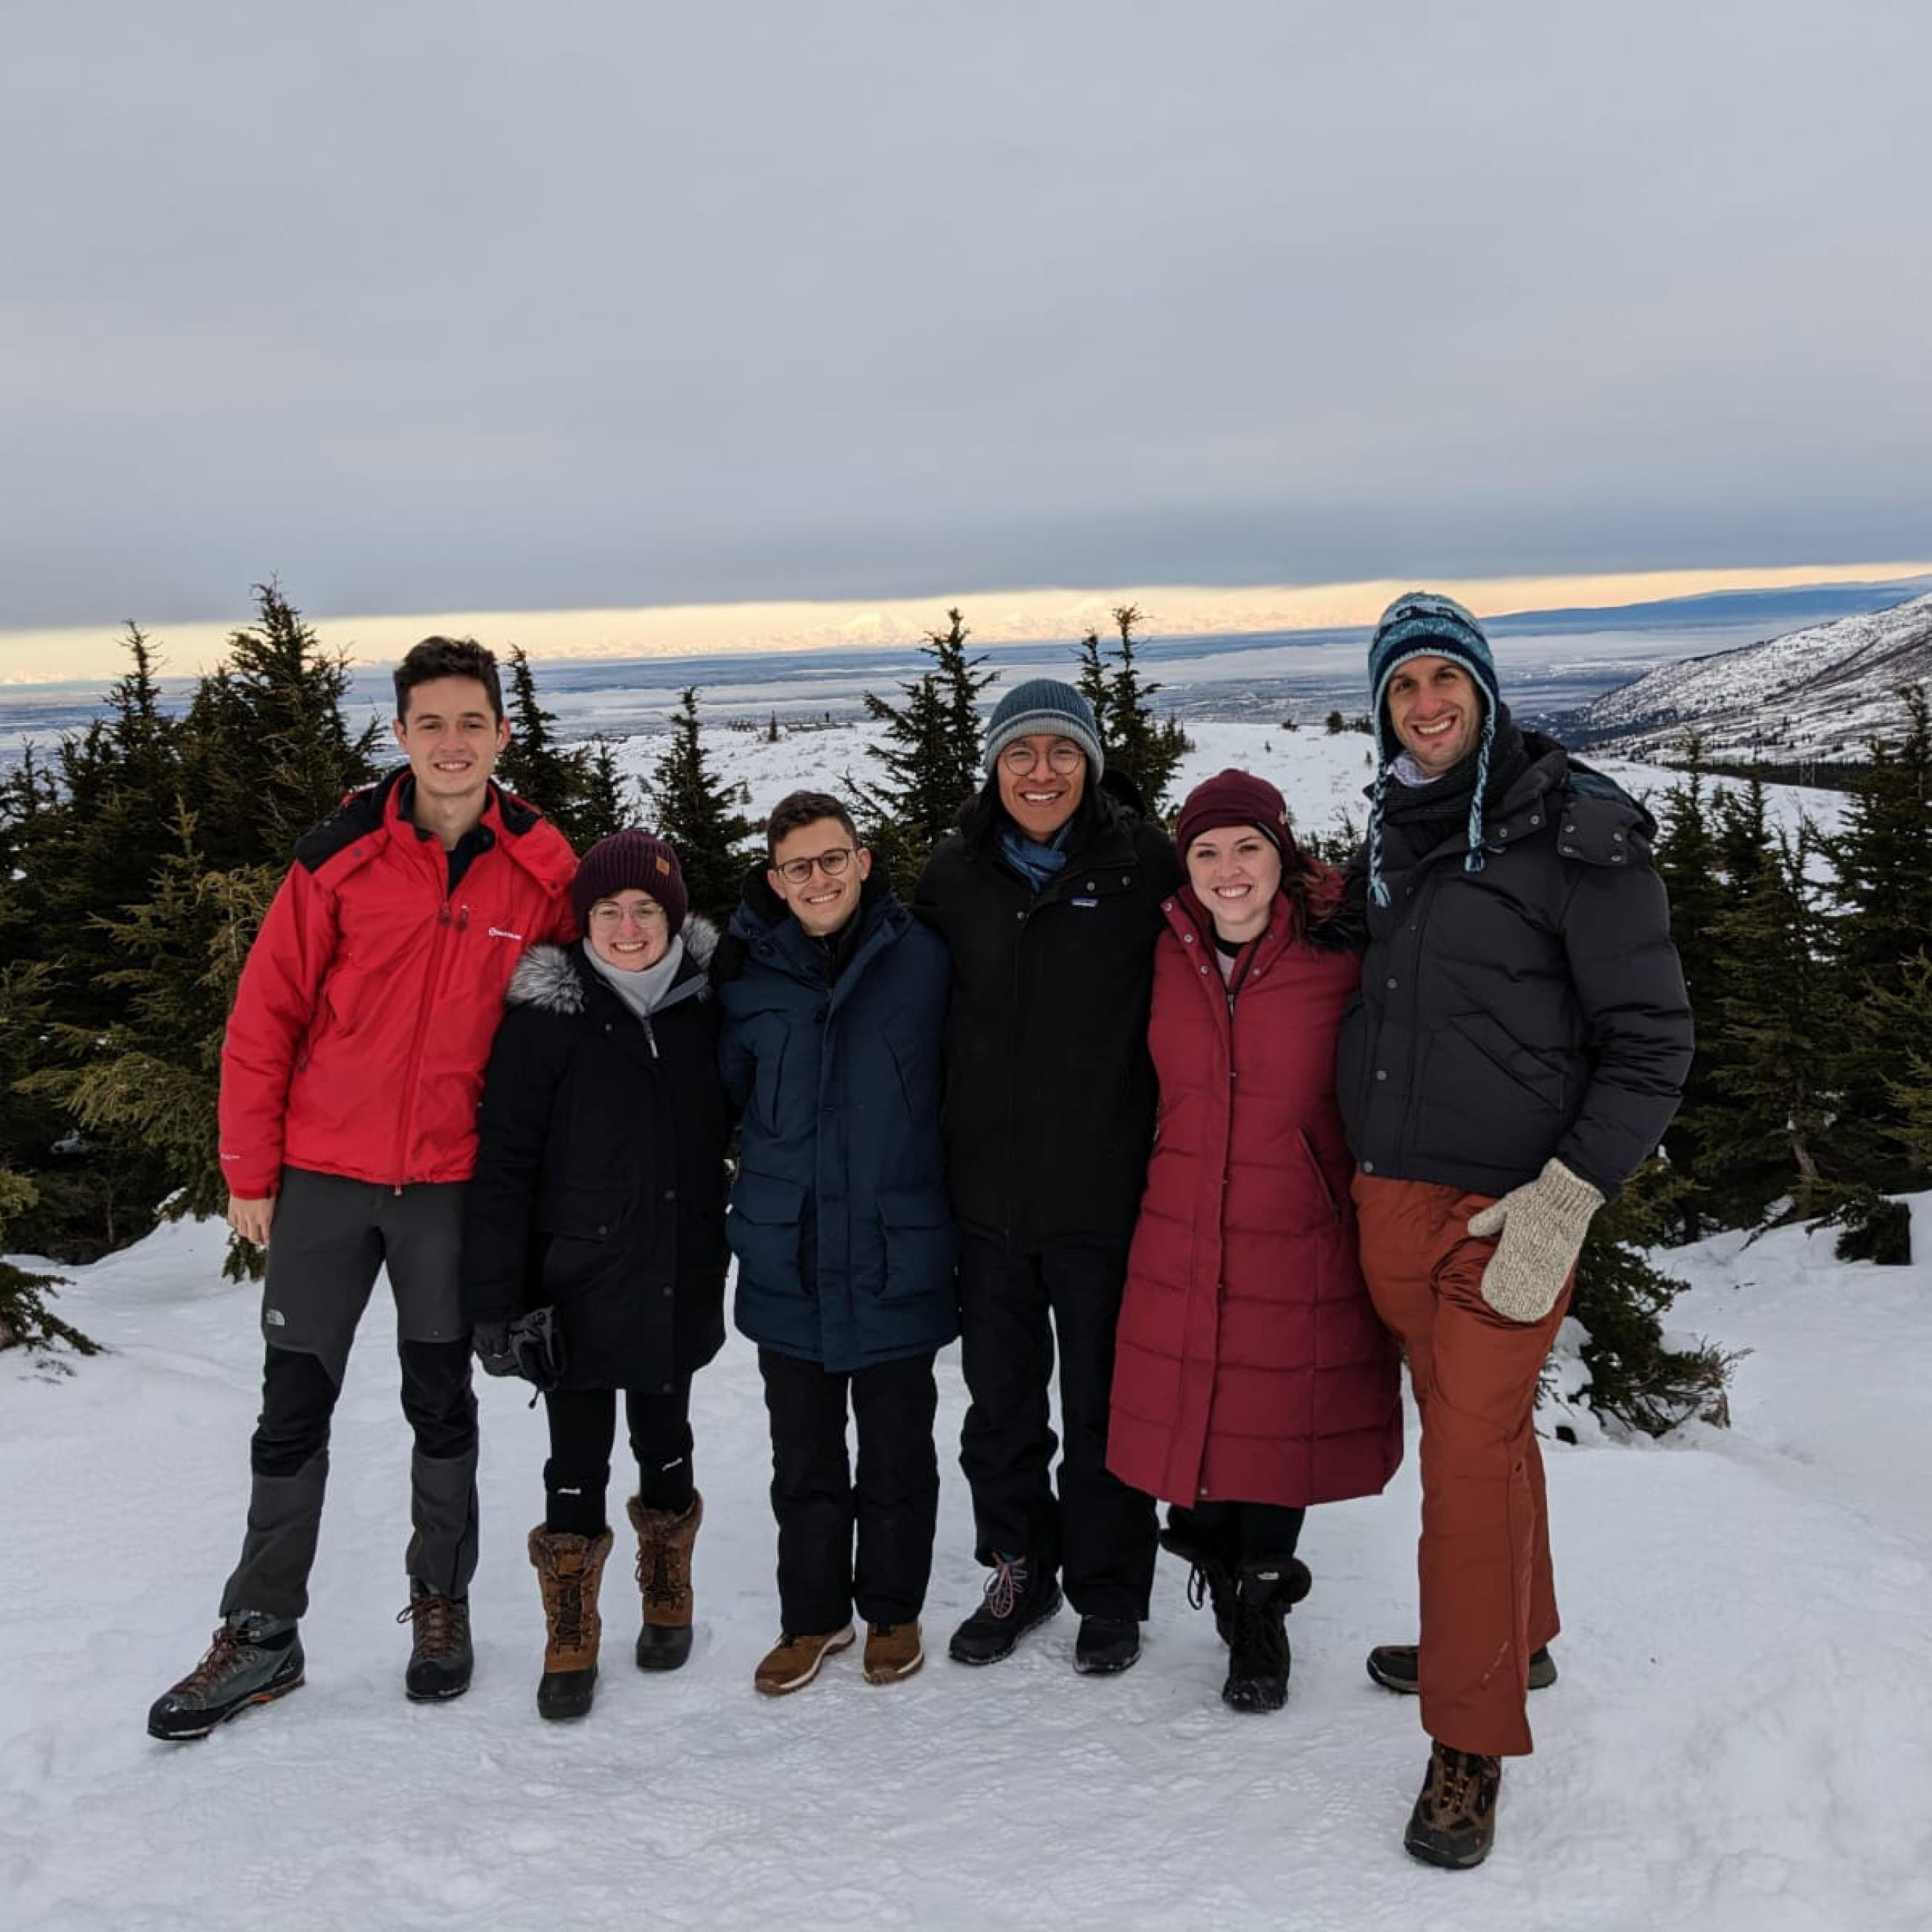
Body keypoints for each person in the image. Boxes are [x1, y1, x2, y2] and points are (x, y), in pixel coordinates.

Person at [147, 637, 577, 1741]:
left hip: (449, 1188)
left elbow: (574, 1032)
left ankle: (442, 1604)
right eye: (428, 723)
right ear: (399, 735)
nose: (450, 743)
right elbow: (267, 1016)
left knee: (441, 1401)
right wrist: (250, 1167)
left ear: (501, 734)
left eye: (470, 722)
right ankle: (262, 1633)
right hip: (326, 1181)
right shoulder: (339, 858)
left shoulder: (541, 872)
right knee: (293, 1407)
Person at [1339, 591, 1691, 1867]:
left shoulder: (1577, 830)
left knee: (1465, 1469)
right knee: (1473, 1442)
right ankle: (1517, 1635)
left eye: (1444, 678)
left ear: (1484, 688)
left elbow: (1653, 1040)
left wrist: (1567, 1193)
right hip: (1395, 1200)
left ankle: (1468, 1736)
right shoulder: (1399, 828)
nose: (1423, 704)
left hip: (1505, 1213)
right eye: (1401, 686)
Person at [1107, 770, 1401, 1714]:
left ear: (1282, 853)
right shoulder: (1159, 954)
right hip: (1181, 1214)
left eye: (1246, 848)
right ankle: (1218, 1566)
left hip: (1297, 1224)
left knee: (1276, 1427)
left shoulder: (1339, 955)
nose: (1227, 870)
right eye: (1205, 851)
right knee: (1192, 1421)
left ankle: (1260, 1612)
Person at [915, 679, 1182, 1676]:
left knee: (1108, 1407)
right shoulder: (956, 875)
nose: (1041, 771)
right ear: (993, 765)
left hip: (1105, 1196)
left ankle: (1109, 1594)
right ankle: (1019, 1568)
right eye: (1020, 752)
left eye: (1061, 752)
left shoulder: (1142, 864)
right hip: (986, 1197)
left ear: (1091, 764)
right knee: (1001, 1405)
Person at [461, 831, 729, 1720]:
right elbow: (502, 1167)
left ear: (672, 916)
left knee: (665, 1436)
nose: (626, 925)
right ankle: (569, 1622)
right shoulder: (546, 1023)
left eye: (646, 909)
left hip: (676, 1270)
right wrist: (497, 1300)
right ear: (582, 921)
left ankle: (664, 1583)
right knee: (573, 1458)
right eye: (608, 910)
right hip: (570, 1283)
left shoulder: (703, 1008)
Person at [716, 791, 956, 1695]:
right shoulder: (745, 979)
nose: (817, 878)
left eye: (831, 858)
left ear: (861, 860)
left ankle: (892, 1608)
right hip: (790, 1250)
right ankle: (813, 1615)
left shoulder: (923, 959)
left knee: (898, 1447)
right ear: (775, 882)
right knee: (804, 1455)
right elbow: (723, 1101)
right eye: (796, 866)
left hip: (898, 1243)